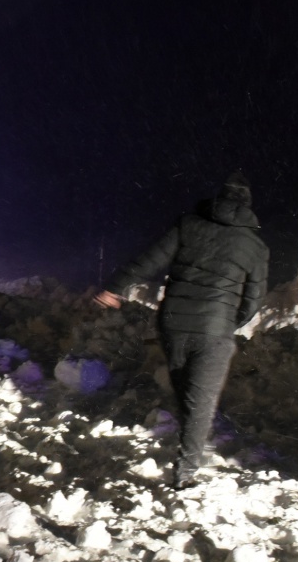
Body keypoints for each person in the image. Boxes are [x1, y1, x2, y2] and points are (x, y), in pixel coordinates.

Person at [94, 171, 269, 486]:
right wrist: (230, 322)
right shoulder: (255, 247)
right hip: (214, 330)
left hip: (173, 323)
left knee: (186, 389)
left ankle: (190, 445)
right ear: (247, 206)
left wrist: (115, 287)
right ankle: (186, 472)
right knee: (201, 398)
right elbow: (254, 300)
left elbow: (148, 261)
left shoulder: (188, 225)